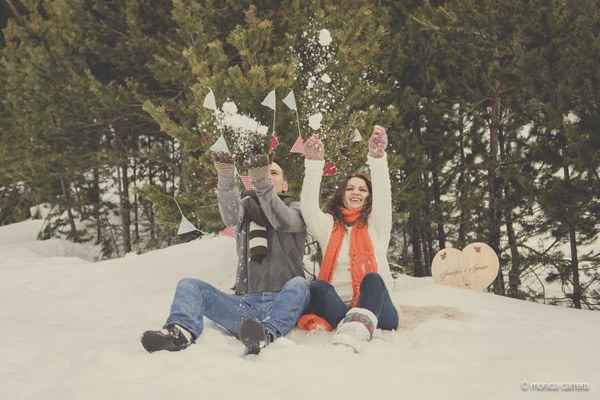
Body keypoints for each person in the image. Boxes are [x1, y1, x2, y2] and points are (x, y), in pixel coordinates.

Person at [141, 152, 309, 355]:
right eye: (264, 173)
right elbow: (230, 216)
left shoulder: (297, 210)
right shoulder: (245, 211)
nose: (268, 177)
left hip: (283, 302)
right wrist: (226, 177)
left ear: (285, 185)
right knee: (189, 285)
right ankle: (180, 332)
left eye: (273, 173)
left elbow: (282, 220)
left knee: (299, 284)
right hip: (245, 306)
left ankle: (266, 334)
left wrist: (262, 183)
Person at [300, 125, 399, 352]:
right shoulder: (328, 226)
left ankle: (358, 326)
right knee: (318, 288)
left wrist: (377, 158)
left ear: (368, 197)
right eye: (350, 188)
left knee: (372, 279)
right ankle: (353, 326)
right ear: (342, 195)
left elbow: (384, 195)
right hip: (340, 312)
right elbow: (308, 209)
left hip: (379, 313)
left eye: (362, 190)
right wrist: (314, 164)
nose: (356, 192)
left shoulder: (377, 224)